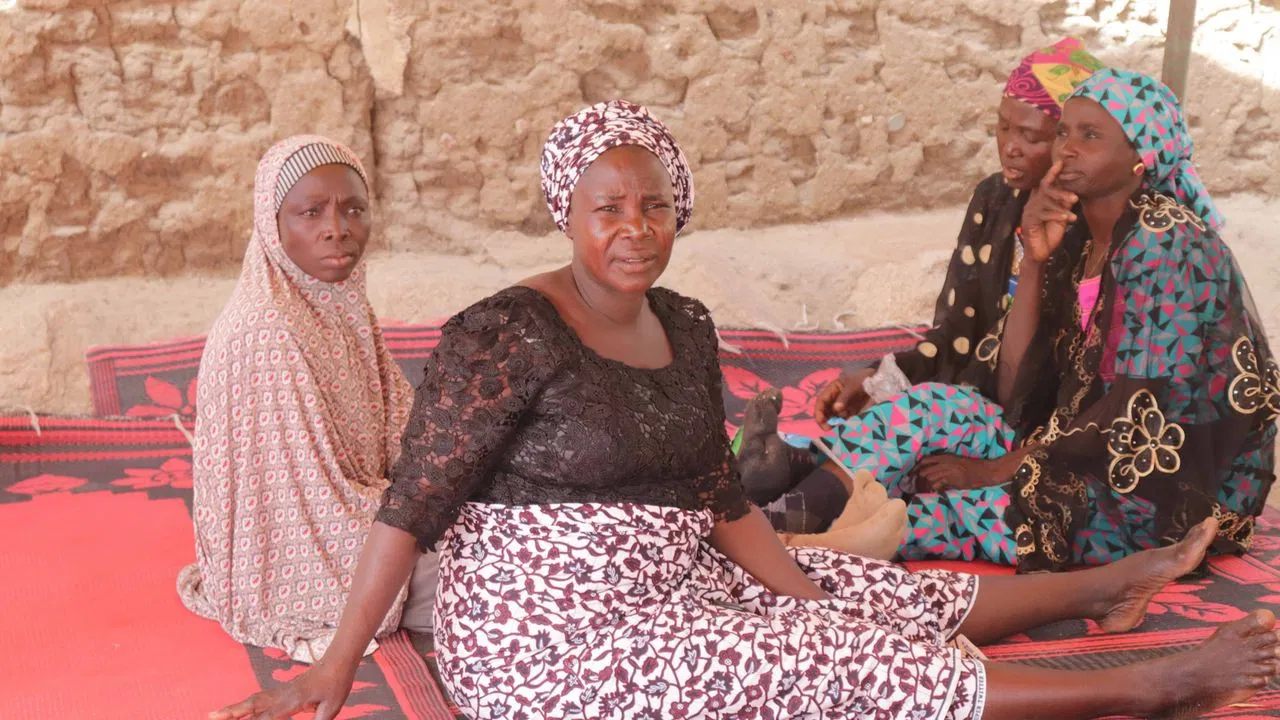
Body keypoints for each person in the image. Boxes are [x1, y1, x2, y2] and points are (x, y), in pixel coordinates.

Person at [209, 101, 1278, 720]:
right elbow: (410, 505)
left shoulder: (681, 319)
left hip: (676, 566)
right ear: (564, 216)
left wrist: (804, 588)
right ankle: (1148, 685)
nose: (633, 230)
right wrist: (335, 665)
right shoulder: (502, 332)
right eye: (605, 210)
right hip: (554, 636)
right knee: (830, 661)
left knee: (859, 593)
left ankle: (1108, 584)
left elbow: (716, 486)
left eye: (652, 207)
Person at [778, 69, 1277, 570]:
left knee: (955, 510)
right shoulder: (1077, 231)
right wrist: (1035, 260)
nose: (1068, 149)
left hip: (1144, 487)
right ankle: (783, 515)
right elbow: (1014, 383)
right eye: (1065, 132)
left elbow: (1132, 413)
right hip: (1061, 441)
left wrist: (991, 471)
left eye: (1091, 135)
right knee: (928, 408)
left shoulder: (1165, 243)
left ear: (1142, 159)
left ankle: (804, 548)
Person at [739, 38, 1103, 556]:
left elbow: (1088, 397)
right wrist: (880, 378)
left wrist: (996, 463)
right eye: (1003, 126)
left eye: (1030, 135)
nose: (1010, 146)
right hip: (982, 412)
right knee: (902, 423)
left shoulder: (1095, 234)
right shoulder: (994, 199)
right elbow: (956, 332)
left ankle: (782, 511)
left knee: (925, 429)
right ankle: (787, 487)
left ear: (1070, 144)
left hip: (1036, 438)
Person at [177, 136, 437, 662]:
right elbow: (313, 509)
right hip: (321, 557)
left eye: (353, 210)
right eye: (310, 212)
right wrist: (423, 516)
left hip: (370, 514)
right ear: (272, 226)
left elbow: (401, 428)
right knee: (510, 570)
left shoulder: (338, 305)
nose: (336, 228)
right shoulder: (267, 334)